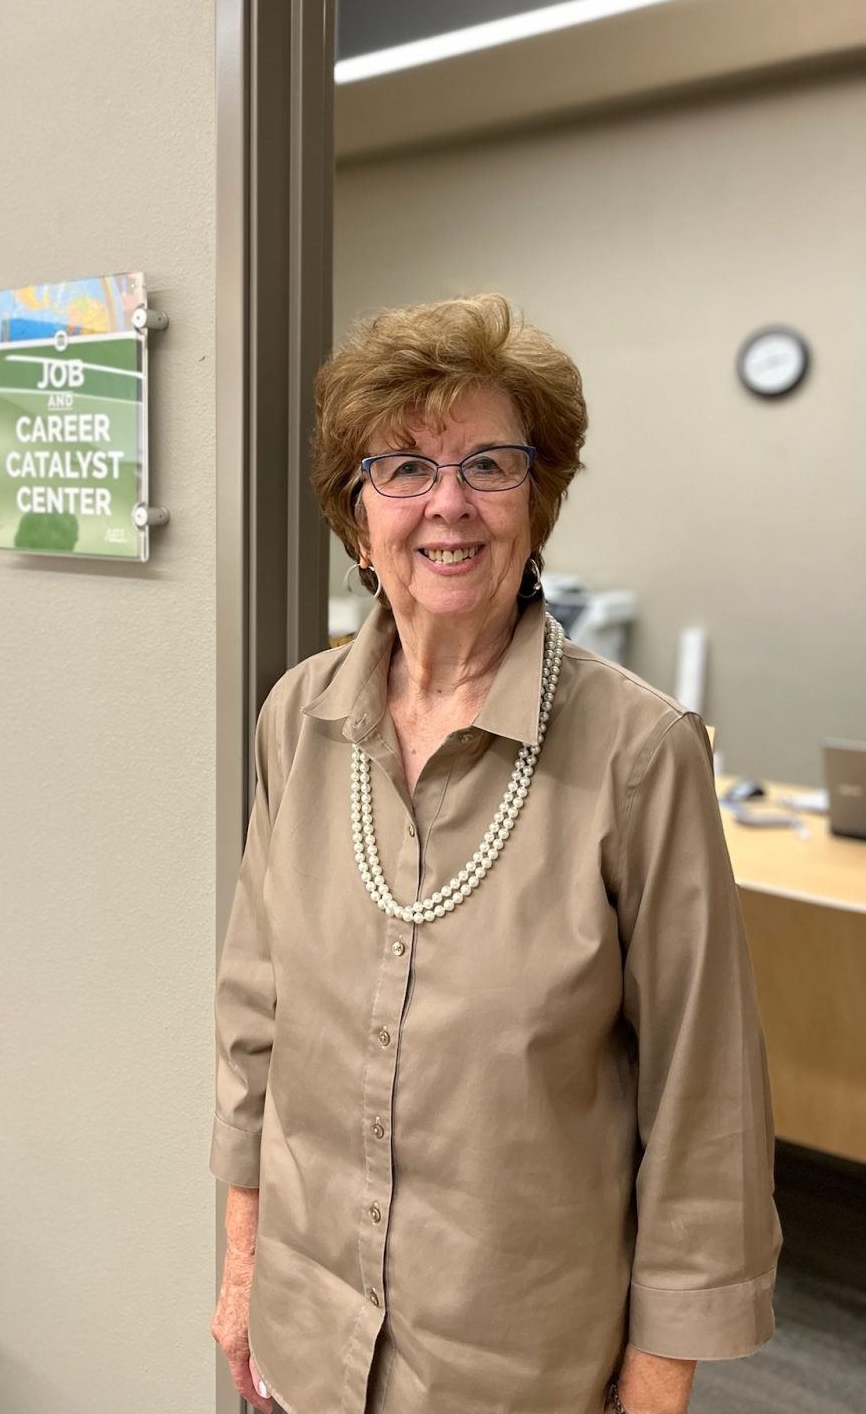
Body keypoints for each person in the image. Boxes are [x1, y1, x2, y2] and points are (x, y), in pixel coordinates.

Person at [209, 295, 779, 1414]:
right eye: (405, 470)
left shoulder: (640, 752)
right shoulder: (299, 719)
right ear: (356, 513)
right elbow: (252, 1023)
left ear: (540, 499)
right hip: (306, 1335)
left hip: (513, 1368)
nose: (450, 505)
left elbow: (703, 1101)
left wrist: (656, 1388)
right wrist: (242, 1268)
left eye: (491, 464)